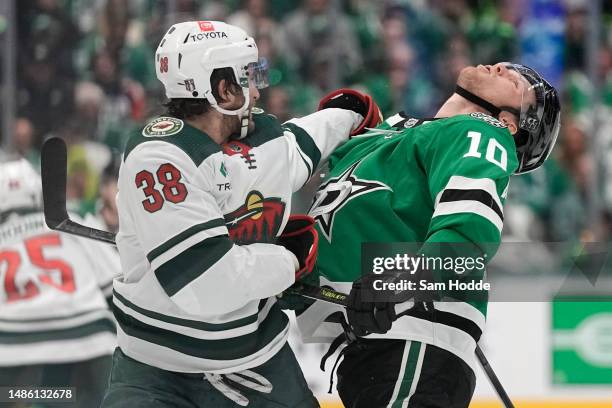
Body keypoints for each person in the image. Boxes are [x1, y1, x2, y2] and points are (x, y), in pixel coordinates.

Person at [101, 21, 381, 408]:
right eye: (250, 77)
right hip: (156, 372)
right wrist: (289, 259)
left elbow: (298, 146)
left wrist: (348, 114)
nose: (257, 89)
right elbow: (206, 286)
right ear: (222, 89)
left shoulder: (257, 137)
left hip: (258, 361)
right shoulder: (160, 160)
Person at [297, 62, 561, 407]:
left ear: (509, 123)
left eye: (516, 82)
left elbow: (469, 236)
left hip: (413, 340)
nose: (500, 67)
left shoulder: (479, 131)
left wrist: (400, 280)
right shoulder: (385, 138)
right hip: (378, 345)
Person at [0, 159, 120, 408]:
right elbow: (116, 286)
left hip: (12, 344)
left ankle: (47, 401)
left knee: (18, 396)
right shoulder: (69, 222)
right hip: (88, 336)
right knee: (101, 398)